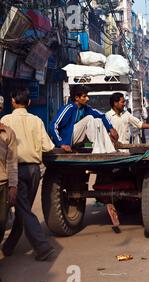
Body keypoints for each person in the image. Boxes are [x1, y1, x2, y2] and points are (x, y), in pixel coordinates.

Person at [1, 87, 56, 261]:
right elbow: (48, 146)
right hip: (34, 170)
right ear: (29, 102)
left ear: (12, 101)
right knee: (23, 209)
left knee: (23, 210)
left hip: (15, 170)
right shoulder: (36, 120)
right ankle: (9, 247)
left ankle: (42, 247)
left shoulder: (6, 120)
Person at [49, 85, 119, 154]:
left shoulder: (85, 108)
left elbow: (102, 115)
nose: (87, 99)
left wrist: (111, 128)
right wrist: (61, 144)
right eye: (84, 96)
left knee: (98, 120)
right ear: (77, 98)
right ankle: (97, 150)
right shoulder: (69, 108)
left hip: (76, 140)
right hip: (65, 141)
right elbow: (53, 126)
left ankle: (109, 150)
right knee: (89, 118)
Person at [0, 123, 17, 247]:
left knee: (1, 223)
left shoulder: (7, 132)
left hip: (3, 184)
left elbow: (12, 161)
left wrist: (13, 186)